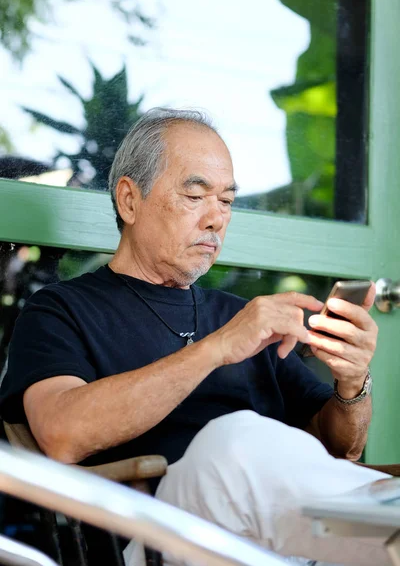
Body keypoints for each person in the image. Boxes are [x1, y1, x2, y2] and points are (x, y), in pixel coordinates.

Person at [0, 109, 389, 565]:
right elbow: (63, 434)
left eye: (225, 201)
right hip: (150, 539)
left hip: (278, 545)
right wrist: (216, 349)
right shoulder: (60, 309)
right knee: (234, 440)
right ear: (129, 200)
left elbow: (338, 449)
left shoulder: (238, 315)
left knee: (266, 449)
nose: (215, 219)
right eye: (195, 194)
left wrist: (351, 383)